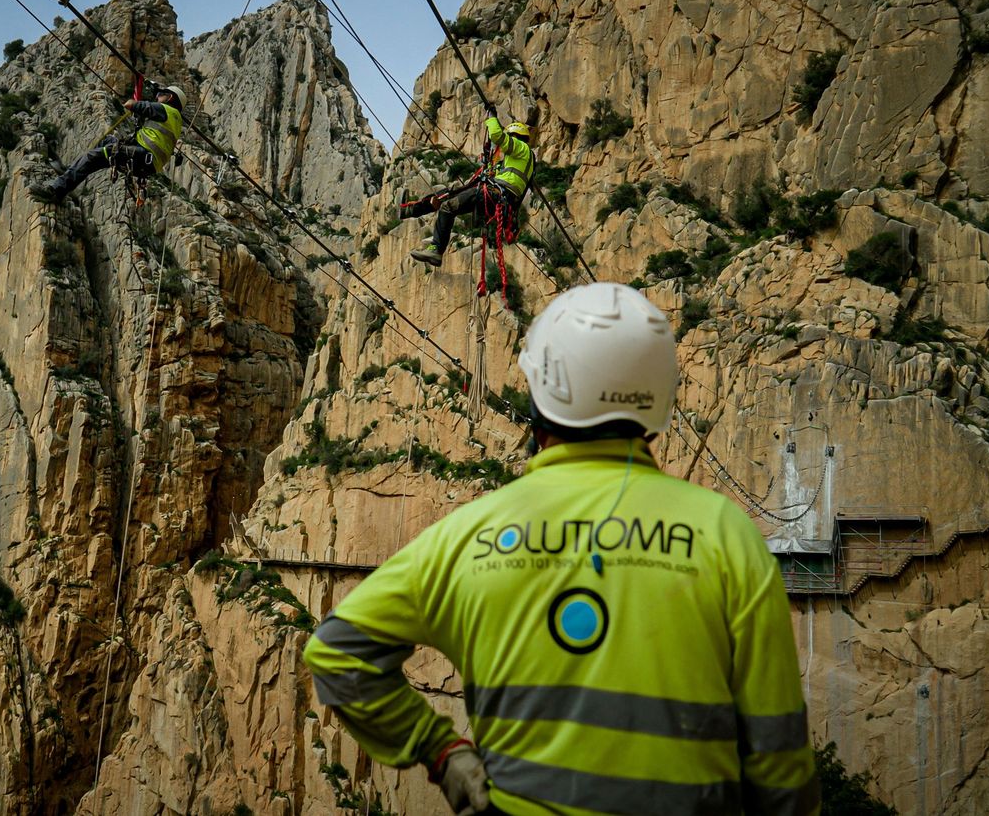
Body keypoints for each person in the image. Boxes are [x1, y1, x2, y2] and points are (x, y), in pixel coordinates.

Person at [302, 282, 820, 815]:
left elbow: (337, 651)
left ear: (541, 393)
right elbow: (780, 759)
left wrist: (444, 754)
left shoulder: (467, 537)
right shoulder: (725, 536)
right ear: (659, 397)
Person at [404, 107, 532, 267]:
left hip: (494, 194)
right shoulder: (520, 161)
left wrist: (492, 118)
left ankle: (436, 249)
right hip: (499, 198)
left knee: (448, 206)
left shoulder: (521, 148)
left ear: (515, 136)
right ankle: (412, 210)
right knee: (448, 193)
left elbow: (498, 136)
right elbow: (498, 169)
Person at [30, 84, 186, 204]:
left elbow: (131, 105)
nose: (157, 97)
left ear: (170, 98)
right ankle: (73, 171)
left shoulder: (166, 110)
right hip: (146, 161)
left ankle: (56, 191)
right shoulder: (176, 122)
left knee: (93, 157)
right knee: (108, 141)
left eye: (160, 94)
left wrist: (133, 101)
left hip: (141, 156)